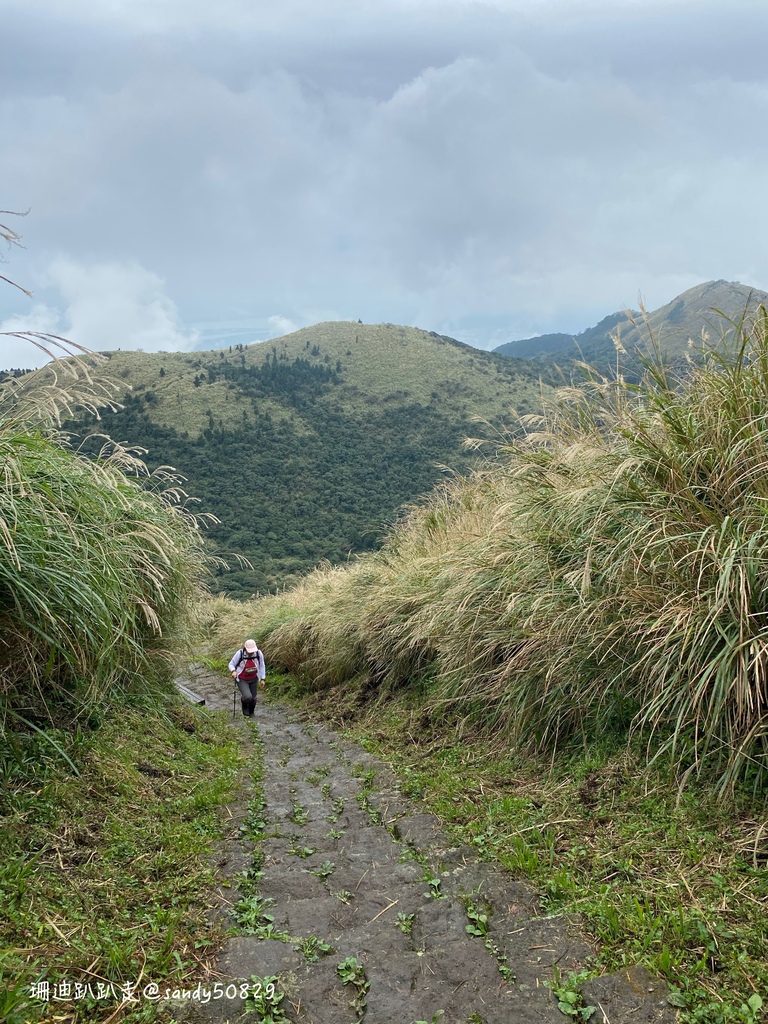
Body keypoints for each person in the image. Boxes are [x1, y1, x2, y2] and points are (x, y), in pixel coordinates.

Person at [229, 639, 265, 717]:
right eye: (249, 651)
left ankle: (251, 712)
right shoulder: (240, 653)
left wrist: (262, 678)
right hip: (242, 679)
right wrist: (233, 671)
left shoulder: (258, 654)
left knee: (253, 698)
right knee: (247, 696)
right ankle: (244, 706)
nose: (251, 652)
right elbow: (231, 664)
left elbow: (262, 666)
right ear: (245, 648)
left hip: (254, 678)